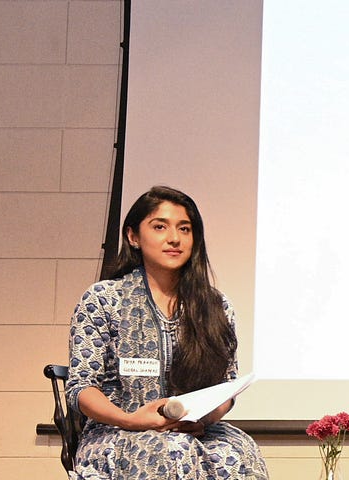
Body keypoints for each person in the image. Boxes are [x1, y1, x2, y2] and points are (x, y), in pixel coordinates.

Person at [65, 186, 269, 479]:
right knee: (169, 452)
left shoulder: (215, 305)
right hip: (117, 430)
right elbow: (81, 388)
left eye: (184, 229)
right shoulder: (103, 299)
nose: (174, 238)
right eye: (160, 227)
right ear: (133, 236)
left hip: (196, 431)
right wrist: (130, 420)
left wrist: (204, 418)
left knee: (235, 453)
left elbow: (226, 386)